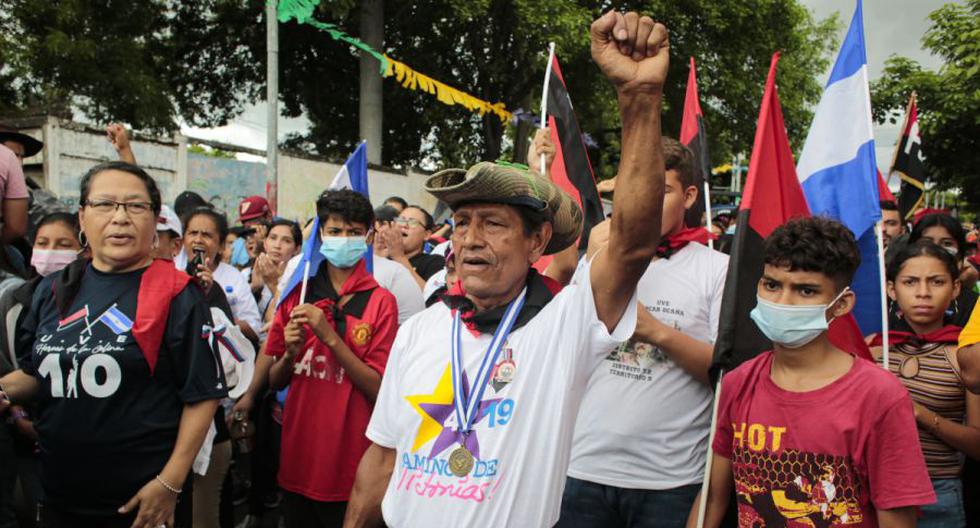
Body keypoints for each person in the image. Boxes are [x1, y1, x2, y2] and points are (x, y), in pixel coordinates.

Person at [344, 10, 668, 526]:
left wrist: (640, 100)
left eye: (492, 223)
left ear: (537, 239)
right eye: (462, 222)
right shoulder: (421, 331)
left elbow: (631, 246)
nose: (470, 238)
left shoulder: (566, 323)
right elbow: (382, 460)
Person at [0, 161, 226, 527]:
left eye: (136, 206)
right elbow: (37, 374)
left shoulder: (178, 295)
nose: (120, 218)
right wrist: (4, 391)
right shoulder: (53, 289)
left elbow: (202, 396)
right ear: (83, 217)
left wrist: (169, 483)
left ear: (155, 222)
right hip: (59, 496)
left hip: (141, 503)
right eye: (105, 204)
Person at [695, 216, 936, 528]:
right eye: (772, 285)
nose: (782, 301)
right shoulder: (739, 382)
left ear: (841, 304)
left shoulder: (879, 396)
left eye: (806, 291)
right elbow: (713, 499)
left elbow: (897, 519)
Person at [560, 138, 727, 528]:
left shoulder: (717, 269)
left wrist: (653, 331)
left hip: (669, 479)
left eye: (662, 191)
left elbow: (725, 374)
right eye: (637, 189)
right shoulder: (599, 262)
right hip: (582, 467)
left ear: (687, 197)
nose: (646, 201)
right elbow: (565, 347)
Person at [264, 189, 398, 527]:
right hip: (298, 458)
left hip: (350, 466)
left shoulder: (381, 302)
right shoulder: (299, 294)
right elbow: (275, 380)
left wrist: (329, 337)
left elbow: (379, 388)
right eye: (334, 231)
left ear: (368, 237)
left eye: (353, 232)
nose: (343, 239)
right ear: (320, 235)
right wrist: (290, 353)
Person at [867, 240, 980, 528]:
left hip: (938, 492)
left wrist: (918, 413)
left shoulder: (966, 358)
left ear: (955, 288)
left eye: (936, 281)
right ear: (892, 289)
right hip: (869, 486)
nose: (923, 293)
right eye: (910, 282)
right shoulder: (871, 351)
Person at [0, 212, 81, 528]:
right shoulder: (14, 300)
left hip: (79, 437)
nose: (50, 252)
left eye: (63, 244)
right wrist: (20, 416)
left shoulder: (98, 301)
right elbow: (15, 367)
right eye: (43, 243)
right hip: (25, 436)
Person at [182, 207, 263, 344]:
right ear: (183, 240)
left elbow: (254, 330)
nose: (198, 240)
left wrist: (221, 319)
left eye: (206, 235)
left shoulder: (234, 278)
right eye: (193, 233)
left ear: (221, 246)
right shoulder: (173, 274)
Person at [905, 213, 978, 326]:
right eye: (927, 242)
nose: (936, 249)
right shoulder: (890, 301)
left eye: (947, 243)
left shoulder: (975, 305)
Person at [377, 205, 444, 289]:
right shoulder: (382, 256)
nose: (404, 225)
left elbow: (429, 296)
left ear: (426, 234)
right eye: (401, 220)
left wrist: (399, 257)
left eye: (412, 222)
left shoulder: (434, 262)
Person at [245, 219, 302, 319]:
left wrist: (273, 284)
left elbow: (288, 319)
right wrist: (254, 287)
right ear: (265, 243)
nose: (277, 245)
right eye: (273, 238)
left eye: (286, 241)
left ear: (297, 249)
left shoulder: (298, 280)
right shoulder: (246, 274)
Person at [0, 130, 30, 245]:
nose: (19, 162)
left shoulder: (38, 196)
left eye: (22, 156)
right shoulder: (5, 157)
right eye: (14, 154)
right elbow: (16, 228)